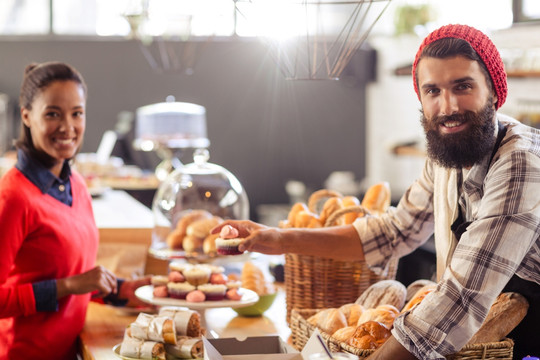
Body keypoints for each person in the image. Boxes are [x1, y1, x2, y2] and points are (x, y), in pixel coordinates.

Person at [213, 24, 540, 360]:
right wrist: (279, 240)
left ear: (495, 92)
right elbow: (394, 232)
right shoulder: (448, 153)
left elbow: (461, 299)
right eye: (433, 91)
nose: (448, 106)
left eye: (463, 86)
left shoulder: (520, 162)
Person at [0, 61, 150, 360]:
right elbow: (66, 283)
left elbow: (67, 277)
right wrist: (68, 285)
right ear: (27, 116)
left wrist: (121, 290)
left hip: (69, 352)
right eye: (53, 113)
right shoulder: (13, 197)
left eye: (76, 113)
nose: (68, 127)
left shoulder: (77, 186)